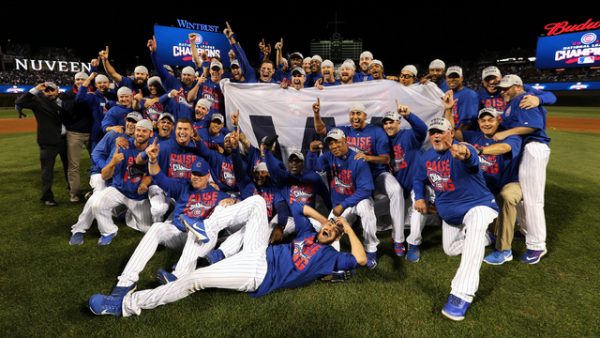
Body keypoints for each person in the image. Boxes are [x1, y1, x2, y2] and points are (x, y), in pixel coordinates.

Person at [88, 203, 366, 317]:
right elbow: (297, 207)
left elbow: (360, 260)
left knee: (195, 280)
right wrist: (328, 220)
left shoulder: (330, 258)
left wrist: (348, 228)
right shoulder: (308, 233)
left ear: (335, 240)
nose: (331, 231)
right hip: (257, 251)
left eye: (334, 233)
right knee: (257, 202)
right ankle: (206, 228)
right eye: (331, 229)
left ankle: (125, 306)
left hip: (258, 272)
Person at [413, 117, 498, 321]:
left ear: (451, 133)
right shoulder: (426, 157)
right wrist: (420, 197)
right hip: (451, 215)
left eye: (441, 131)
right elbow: (418, 178)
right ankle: (487, 239)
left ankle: (461, 295)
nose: (436, 135)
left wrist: (466, 154)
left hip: (479, 206)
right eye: (433, 132)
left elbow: (471, 160)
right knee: (450, 250)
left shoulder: (461, 149)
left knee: (475, 228)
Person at [452, 107, 523, 265]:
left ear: (498, 120)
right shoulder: (474, 136)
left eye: (490, 119)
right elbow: (452, 132)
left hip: (509, 183)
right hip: (487, 186)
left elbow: (504, 148)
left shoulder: (511, 137)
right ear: (478, 122)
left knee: (507, 197)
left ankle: (504, 250)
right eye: (483, 120)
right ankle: (486, 232)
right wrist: (448, 109)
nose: (486, 123)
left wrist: (479, 150)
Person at [494, 75, 551, 264]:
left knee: (533, 199)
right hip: (526, 150)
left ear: (517, 87)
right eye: (501, 88)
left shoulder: (524, 99)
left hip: (534, 147)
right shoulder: (516, 100)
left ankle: (537, 246)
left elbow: (534, 126)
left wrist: (506, 132)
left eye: (506, 88)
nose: (502, 91)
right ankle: (526, 231)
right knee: (524, 196)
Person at [15, 82, 68, 206]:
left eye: (52, 90)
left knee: (69, 168)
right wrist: (36, 89)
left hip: (65, 140)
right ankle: (47, 197)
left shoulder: (63, 101)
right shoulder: (38, 102)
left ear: (57, 90)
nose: (49, 92)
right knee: (47, 171)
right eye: (46, 90)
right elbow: (20, 102)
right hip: (48, 141)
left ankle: (72, 190)